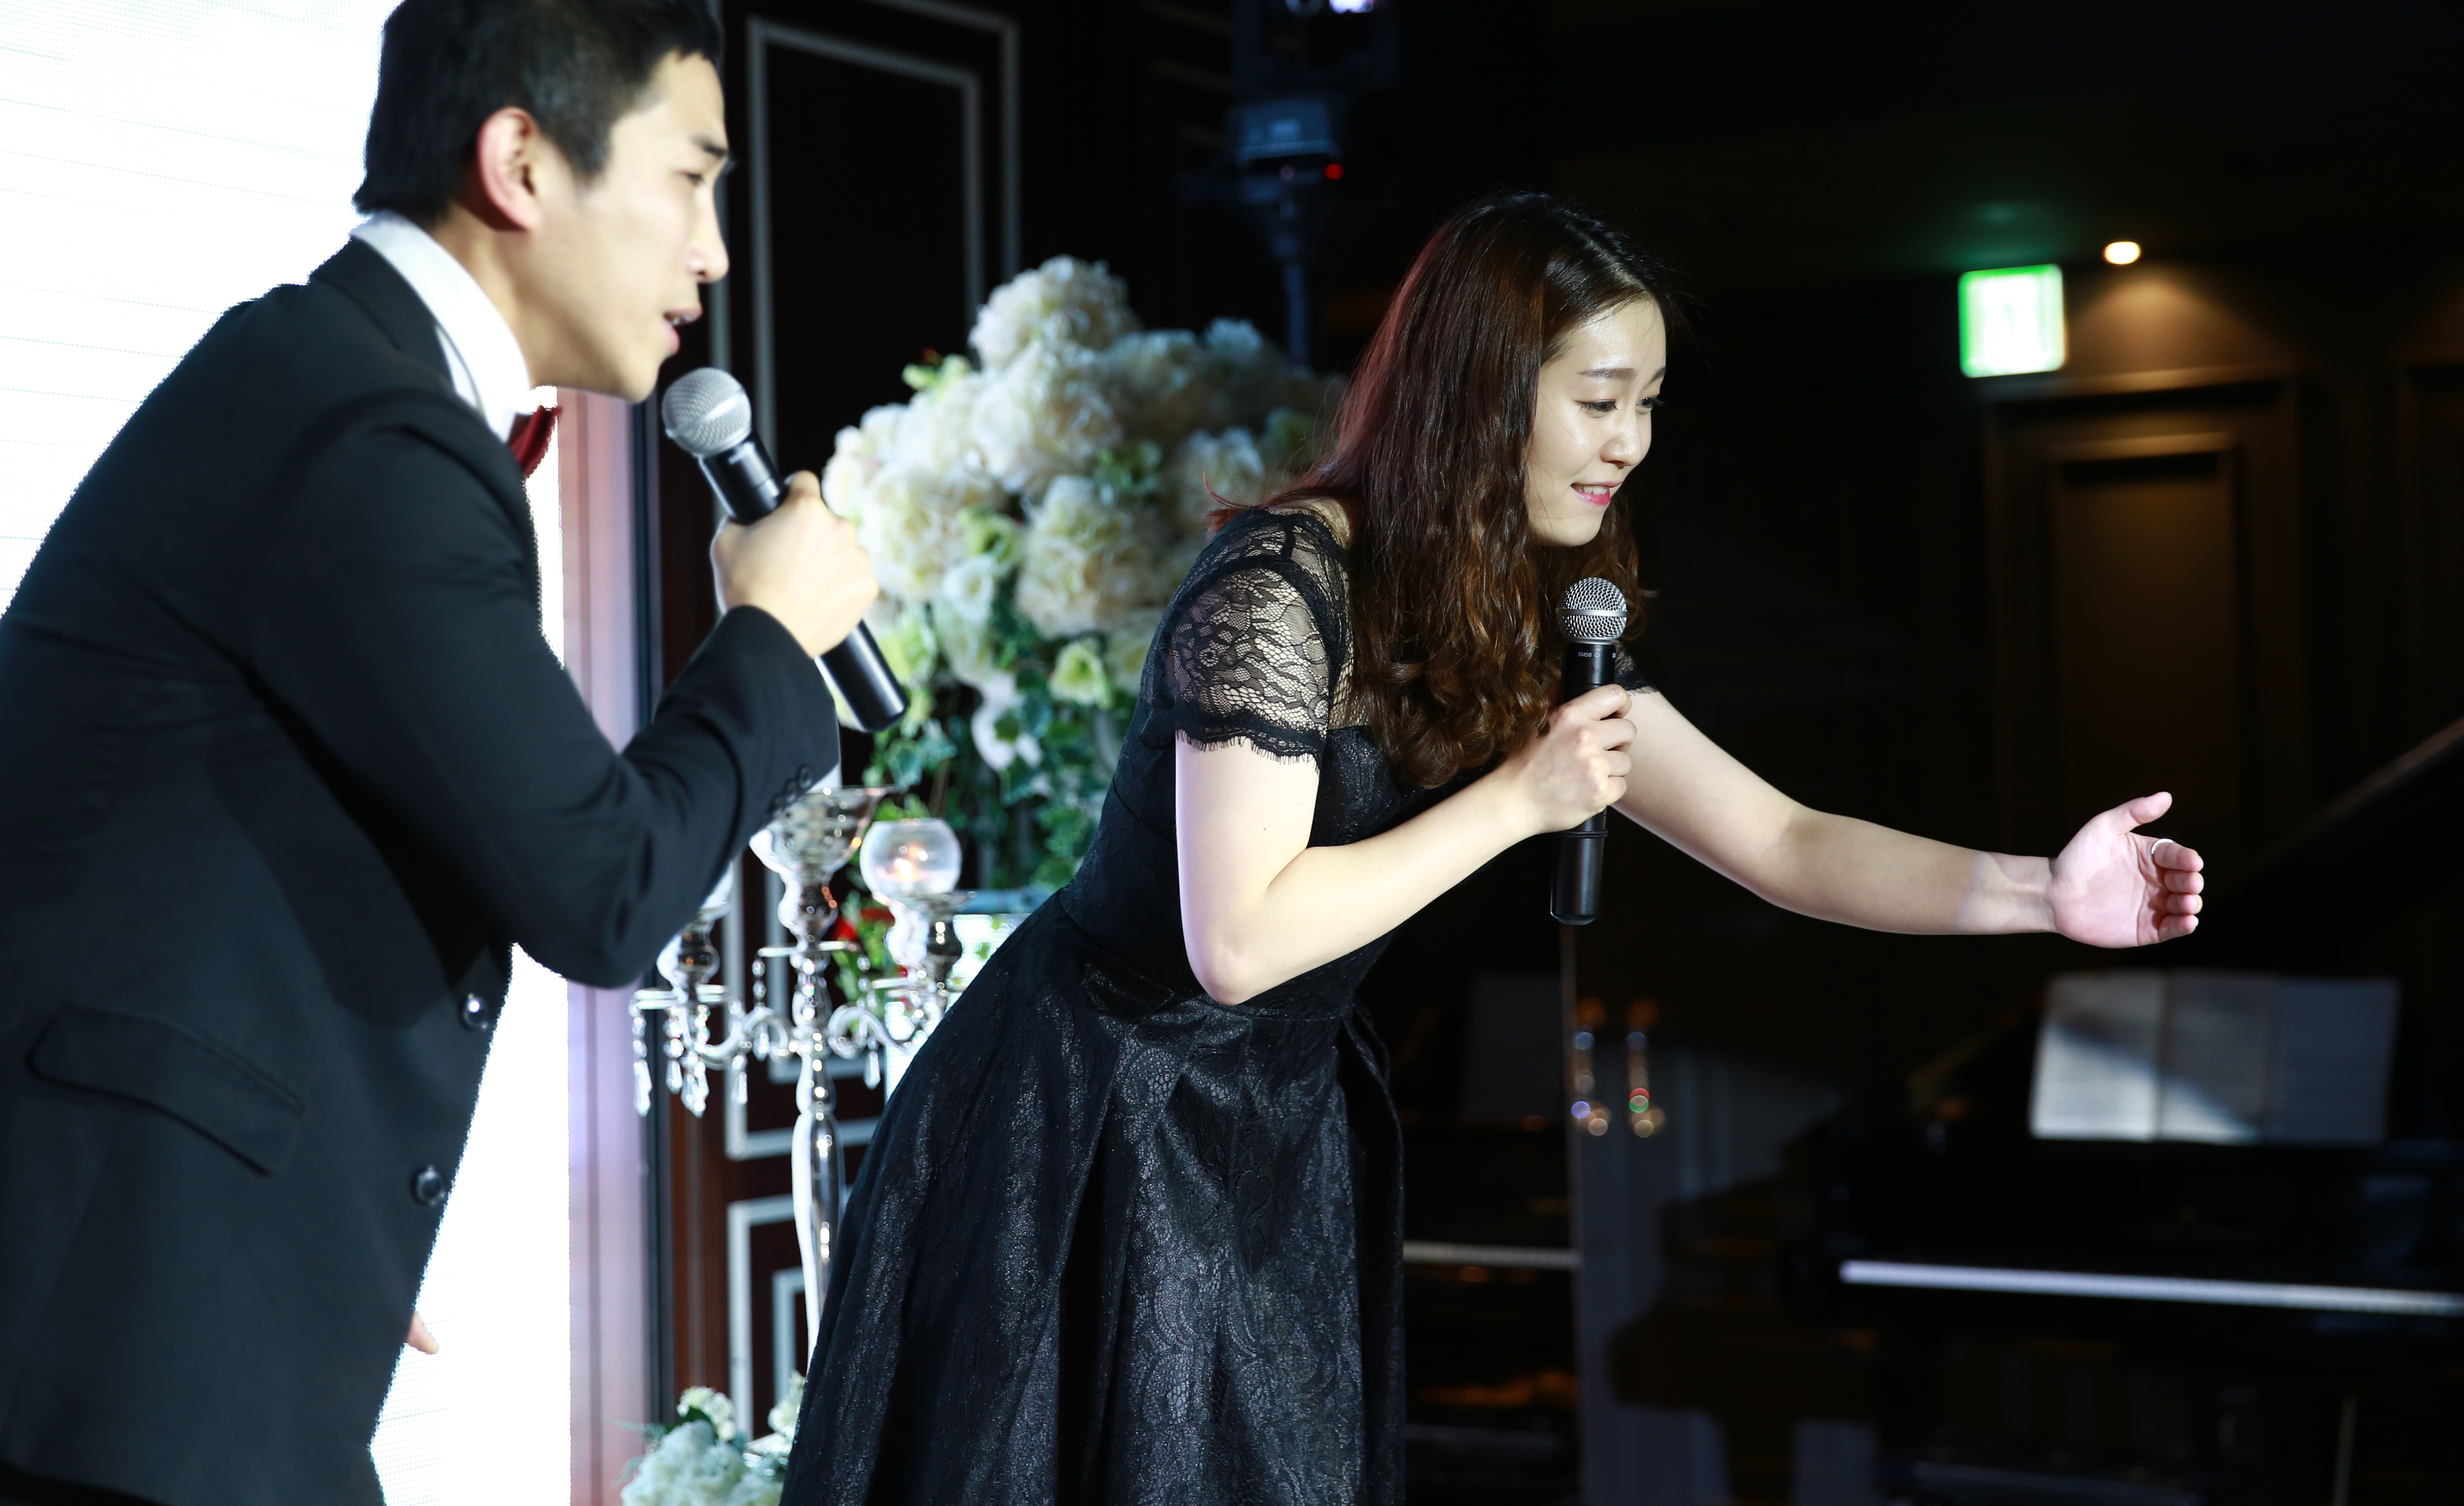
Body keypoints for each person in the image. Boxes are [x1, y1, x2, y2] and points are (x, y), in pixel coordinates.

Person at [781, 192, 2207, 1505]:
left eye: (1647, 403)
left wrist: (2043, 891)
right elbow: (1240, 942)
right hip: (1091, 1109)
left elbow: (1782, 838)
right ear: (1482, 394)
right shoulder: (1278, 585)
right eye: (1598, 400)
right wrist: (1520, 800)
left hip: (1270, 1121)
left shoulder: (1516, 621)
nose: (1629, 442)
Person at [0, 0, 876, 1506]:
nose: (713, 251)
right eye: (690, 178)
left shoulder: (335, 383)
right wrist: (773, 641)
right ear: (523, 164)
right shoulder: (366, 430)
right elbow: (599, 887)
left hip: (113, 1288)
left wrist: (302, 1221)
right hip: (60, 1323)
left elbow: (226, 876)